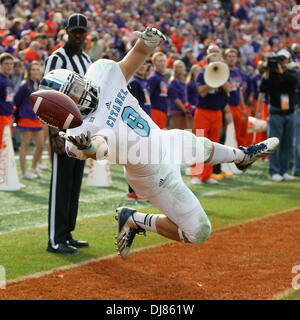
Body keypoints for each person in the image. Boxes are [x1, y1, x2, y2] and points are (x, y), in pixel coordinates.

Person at [39, 27, 279, 261]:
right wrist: (89, 147)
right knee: (198, 231)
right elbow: (100, 147)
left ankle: (242, 156)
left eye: (77, 87)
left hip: (163, 139)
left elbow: (136, 57)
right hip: (153, 174)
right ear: (64, 108)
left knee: (203, 147)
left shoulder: (102, 72)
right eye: (71, 97)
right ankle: (133, 219)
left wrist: (146, 43)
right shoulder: (79, 132)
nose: (80, 95)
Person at [42, 13, 93, 254]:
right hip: (62, 128)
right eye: (74, 31)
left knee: (74, 184)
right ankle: (55, 239)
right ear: (66, 31)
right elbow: (46, 97)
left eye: (81, 31)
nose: (77, 35)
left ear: (86, 33)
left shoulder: (86, 60)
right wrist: (54, 134)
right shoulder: (56, 58)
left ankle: (67, 233)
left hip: (81, 129)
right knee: (61, 183)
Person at [190, 52, 231, 185]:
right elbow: (201, 92)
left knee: (212, 145)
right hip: (203, 112)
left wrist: (220, 78)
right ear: (207, 63)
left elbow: (229, 89)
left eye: (217, 61)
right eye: (212, 62)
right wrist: (212, 81)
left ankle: (207, 175)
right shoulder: (202, 74)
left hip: (217, 112)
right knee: (199, 143)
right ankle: (196, 175)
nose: (215, 64)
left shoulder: (223, 73)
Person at [257, 49, 298, 182]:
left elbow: (293, 81)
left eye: (283, 59)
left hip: (290, 112)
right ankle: (273, 171)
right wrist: (267, 71)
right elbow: (262, 90)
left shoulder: (291, 72)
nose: (281, 62)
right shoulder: (270, 74)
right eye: (279, 59)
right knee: (274, 144)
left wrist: (281, 72)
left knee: (287, 144)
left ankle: (283, 170)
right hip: (275, 112)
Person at [125, 61, 151, 202]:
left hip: (144, 125)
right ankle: (133, 192)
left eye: (144, 64)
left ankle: (135, 191)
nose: (142, 66)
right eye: (140, 64)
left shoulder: (142, 81)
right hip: (138, 126)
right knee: (136, 160)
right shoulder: (134, 83)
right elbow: (136, 107)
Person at [13, 61, 44, 179]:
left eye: (37, 69)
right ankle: (24, 172)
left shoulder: (41, 84)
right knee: (25, 145)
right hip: (26, 118)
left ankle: (33, 167)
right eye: (33, 69)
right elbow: (16, 100)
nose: (36, 71)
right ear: (29, 71)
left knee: (40, 145)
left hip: (37, 118)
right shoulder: (24, 85)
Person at [146, 51, 168, 129]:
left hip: (162, 112)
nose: (162, 63)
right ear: (154, 63)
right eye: (160, 61)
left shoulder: (161, 77)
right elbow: (147, 95)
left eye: (164, 61)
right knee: (157, 138)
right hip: (155, 111)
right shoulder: (154, 77)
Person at [167, 59, 188, 130]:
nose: (180, 69)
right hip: (176, 110)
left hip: (185, 110)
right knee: (175, 132)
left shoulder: (184, 80)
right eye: (178, 67)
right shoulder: (173, 81)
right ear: (174, 69)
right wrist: (184, 109)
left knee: (185, 132)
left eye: (181, 67)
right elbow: (174, 98)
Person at [0, 53, 14, 150]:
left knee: (5, 145)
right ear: (0, 65)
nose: (9, 66)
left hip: (7, 115)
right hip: (1, 116)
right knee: (2, 145)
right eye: (6, 63)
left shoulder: (7, 79)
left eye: (11, 64)